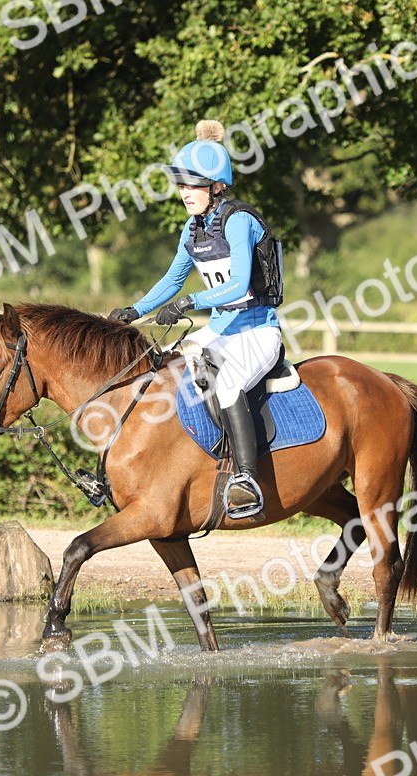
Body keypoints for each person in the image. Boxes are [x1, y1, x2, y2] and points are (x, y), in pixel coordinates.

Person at [109, 120, 283, 520]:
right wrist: (135, 311)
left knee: (228, 384)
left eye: (193, 184)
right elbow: (173, 279)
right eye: (181, 185)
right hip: (220, 330)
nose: (184, 192)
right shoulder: (193, 227)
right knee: (162, 373)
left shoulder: (239, 220)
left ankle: (246, 479)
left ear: (216, 186)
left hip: (257, 330)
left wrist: (191, 301)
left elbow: (239, 285)